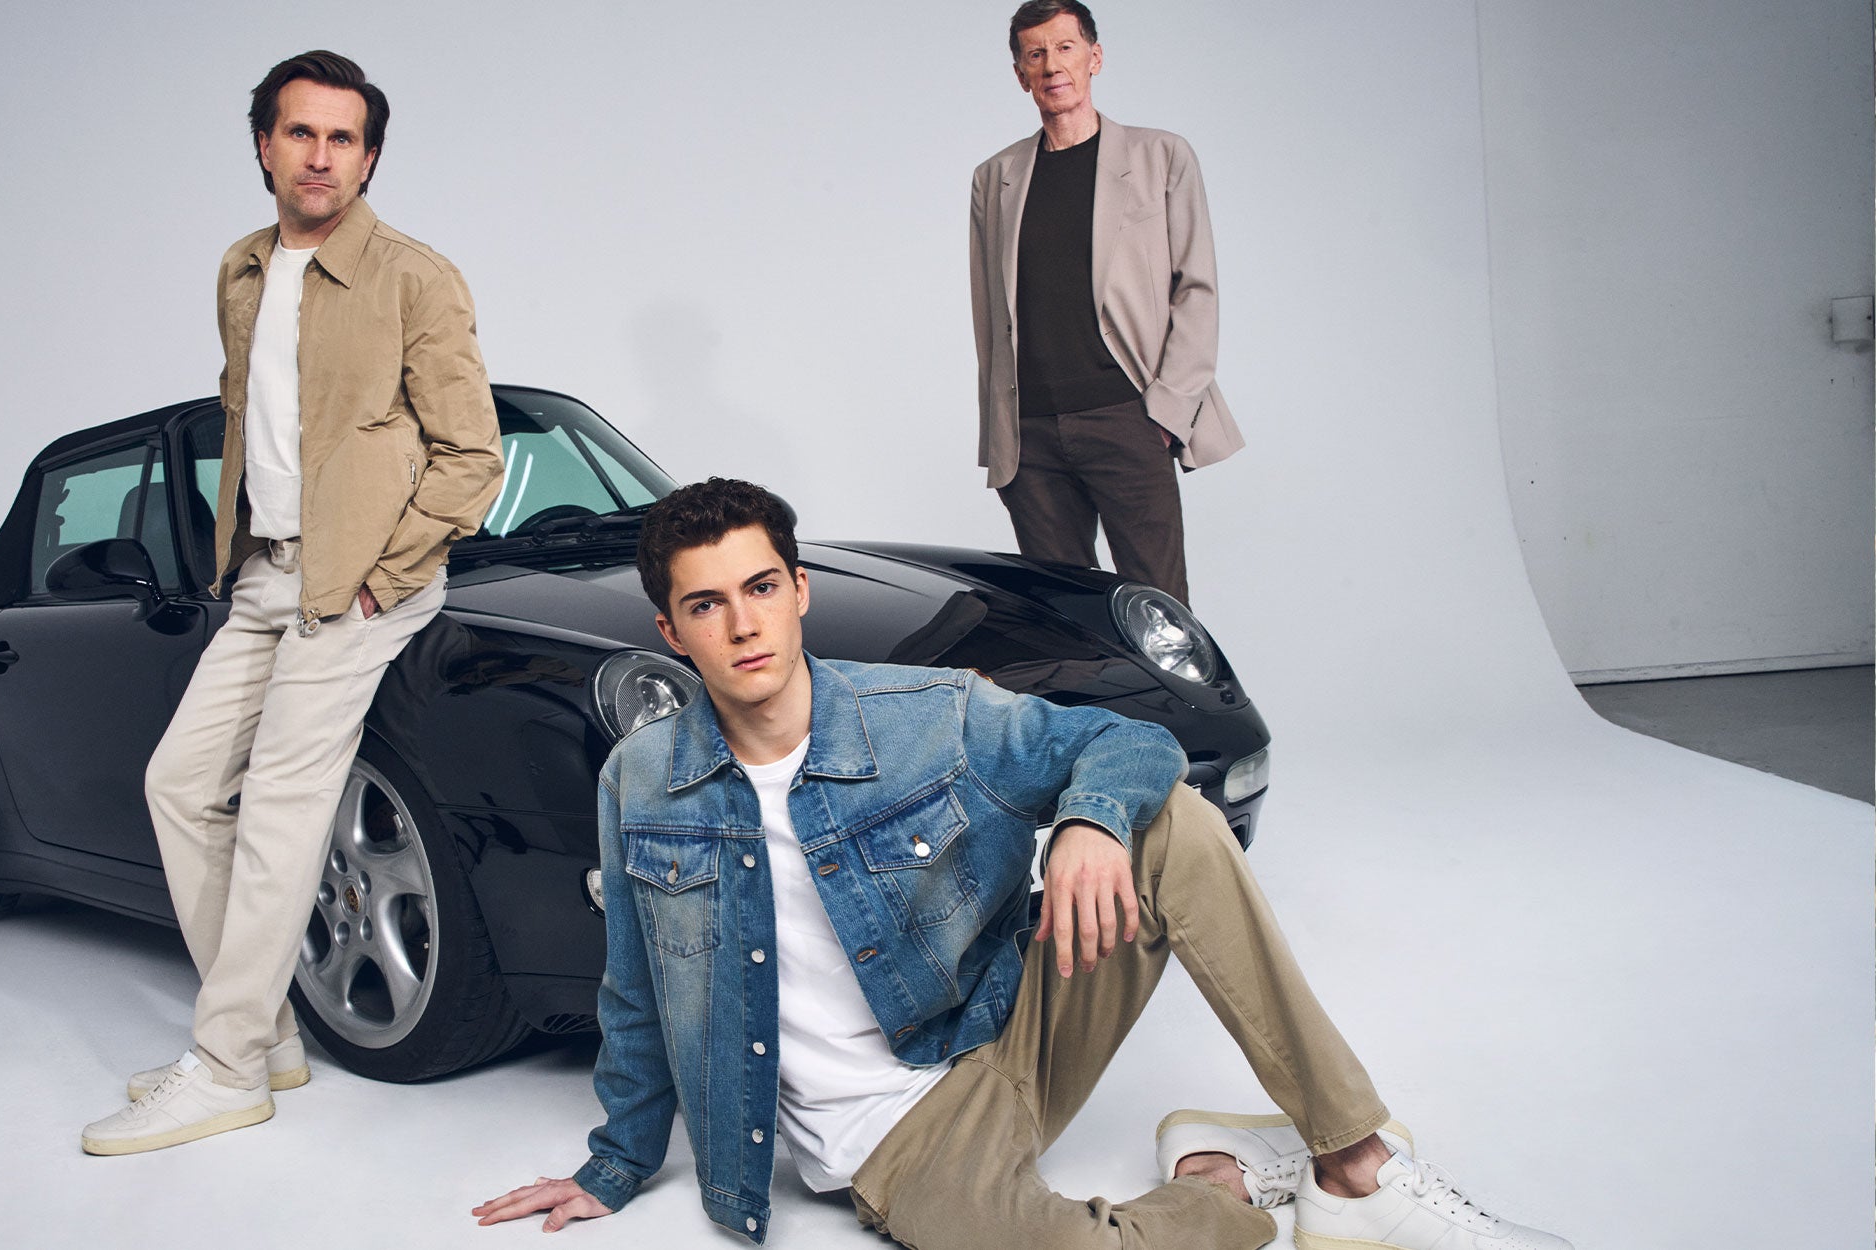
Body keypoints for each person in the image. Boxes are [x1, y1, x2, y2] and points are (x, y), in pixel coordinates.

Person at [472, 479, 1567, 1249]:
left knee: (1167, 819)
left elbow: (1130, 742)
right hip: (896, 1137)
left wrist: (1090, 822)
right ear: (671, 629)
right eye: (707, 604)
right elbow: (633, 988)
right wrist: (611, 1165)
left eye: (760, 588)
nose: (742, 623)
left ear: (799, 589)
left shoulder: (924, 714)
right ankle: (1221, 1178)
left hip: (1006, 1027)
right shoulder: (643, 779)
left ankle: (1353, 1161)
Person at [80, 49, 502, 1156]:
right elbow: (255, 428)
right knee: (178, 783)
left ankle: (220, 1068)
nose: (321, 156)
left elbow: (471, 454)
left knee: (278, 805)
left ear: (368, 158)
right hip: (265, 573)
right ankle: (262, 1029)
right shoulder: (240, 269)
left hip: (362, 581)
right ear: (264, 144)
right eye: (300, 133)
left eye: (344, 138)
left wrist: (382, 570)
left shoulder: (416, 276)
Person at [971, 0, 1241, 605]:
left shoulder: (1161, 156)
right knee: (1062, 621)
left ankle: (1169, 709)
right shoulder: (995, 177)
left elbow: (1196, 289)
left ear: (1095, 57)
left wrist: (1165, 414)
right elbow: (989, 315)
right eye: (1034, 54)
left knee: (1159, 612)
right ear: (1020, 73)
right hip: (1030, 436)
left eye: (1065, 48)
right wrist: (1000, 432)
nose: (1051, 65)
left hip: (1128, 418)